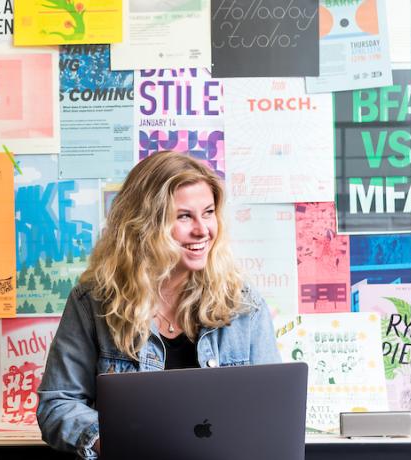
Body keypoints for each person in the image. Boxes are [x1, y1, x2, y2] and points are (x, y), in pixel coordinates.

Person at [36, 151, 281, 459]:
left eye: (208, 212)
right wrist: (120, 442)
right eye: (183, 216)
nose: (203, 230)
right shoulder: (93, 302)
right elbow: (57, 405)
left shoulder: (244, 304)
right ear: (144, 224)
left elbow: (273, 412)